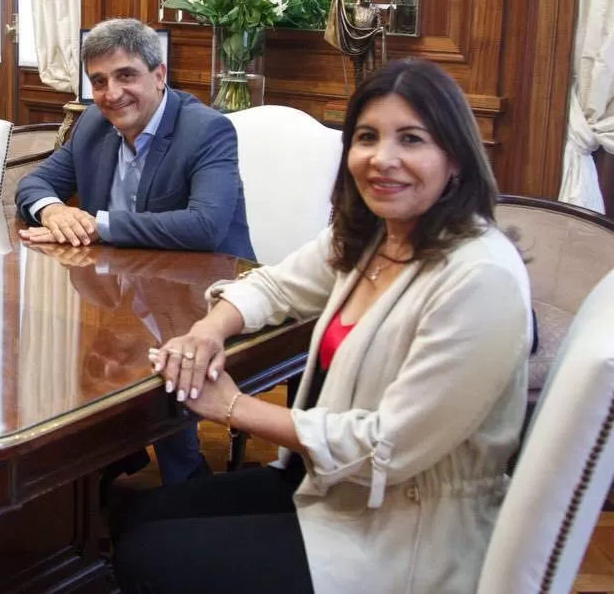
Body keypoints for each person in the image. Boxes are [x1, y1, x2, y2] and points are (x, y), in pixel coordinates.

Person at [112, 57, 531, 594]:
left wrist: (234, 408)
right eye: (367, 137)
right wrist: (208, 330)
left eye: (411, 140)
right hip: (330, 485)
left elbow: (387, 448)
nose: (383, 159)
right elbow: (275, 285)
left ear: (455, 158)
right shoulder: (377, 234)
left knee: (151, 554)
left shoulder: (480, 279)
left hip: (409, 528)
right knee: (138, 514)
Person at [16, 17, 254, 484]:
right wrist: (50, 211)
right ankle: (101, 463)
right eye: (99, 81)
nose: (111, 93)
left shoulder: (206, 130)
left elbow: (205, 225)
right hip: (124, 282)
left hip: (206, 289)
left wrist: (97, 224)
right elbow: (36, 182)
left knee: (151, 350)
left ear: (159, 75)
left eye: (126, 76)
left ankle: (186, 480)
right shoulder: (91, 123)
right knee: (67, 339)